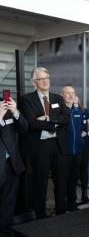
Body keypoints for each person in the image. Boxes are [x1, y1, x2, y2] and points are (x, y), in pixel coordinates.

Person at [20, 67, 70, 219]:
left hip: (58, 144)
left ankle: (62, 212)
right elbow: (32, 123)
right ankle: (41, 215)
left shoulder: (57, 98)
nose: (46, 80)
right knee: (40, 182)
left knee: (61, 180)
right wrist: (56, 123)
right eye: (41, 78)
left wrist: (47, 119)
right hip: (40, 147)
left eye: (47, 77)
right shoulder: (26, 99)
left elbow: (66, 118)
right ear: (35, 82)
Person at [0, 97, 28, 236]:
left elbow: (25, 128)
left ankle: (5, 230)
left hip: (12, 163)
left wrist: (15, 111)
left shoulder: (6, 108)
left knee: (8, 201)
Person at [61, 86, 83, 211]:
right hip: (64, 153)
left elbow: (80, 129)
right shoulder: (59, 111)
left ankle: (72, 204)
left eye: (73, 93)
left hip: (77, 152)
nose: (70, 95)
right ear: (62, 95)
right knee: (62, 181)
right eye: (67, 93)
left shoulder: (78, 111)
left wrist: (82, 143)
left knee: (74, 179)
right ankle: (61, 206)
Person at [79, 99, 89, 203]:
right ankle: (71, 196)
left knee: (84, 169)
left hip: (84, 144)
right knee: (73, 171)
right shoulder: (66, 111)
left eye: (75, 95)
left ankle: (85, 195)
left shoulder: (84, 111)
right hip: (73, 145)